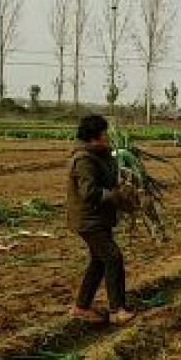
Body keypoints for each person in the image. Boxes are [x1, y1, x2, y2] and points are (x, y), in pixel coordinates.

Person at [66, 114, 137, 326]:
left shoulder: (100, 155)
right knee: (113, 257)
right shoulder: (84, 160)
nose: (108, 136)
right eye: (105, 133)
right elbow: (89, 192)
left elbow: (110, 176)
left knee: (99, 261)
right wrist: (115, 196)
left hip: (99, 219)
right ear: (94, 137)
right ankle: (117, 310)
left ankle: (81, 307)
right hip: (89, 220)